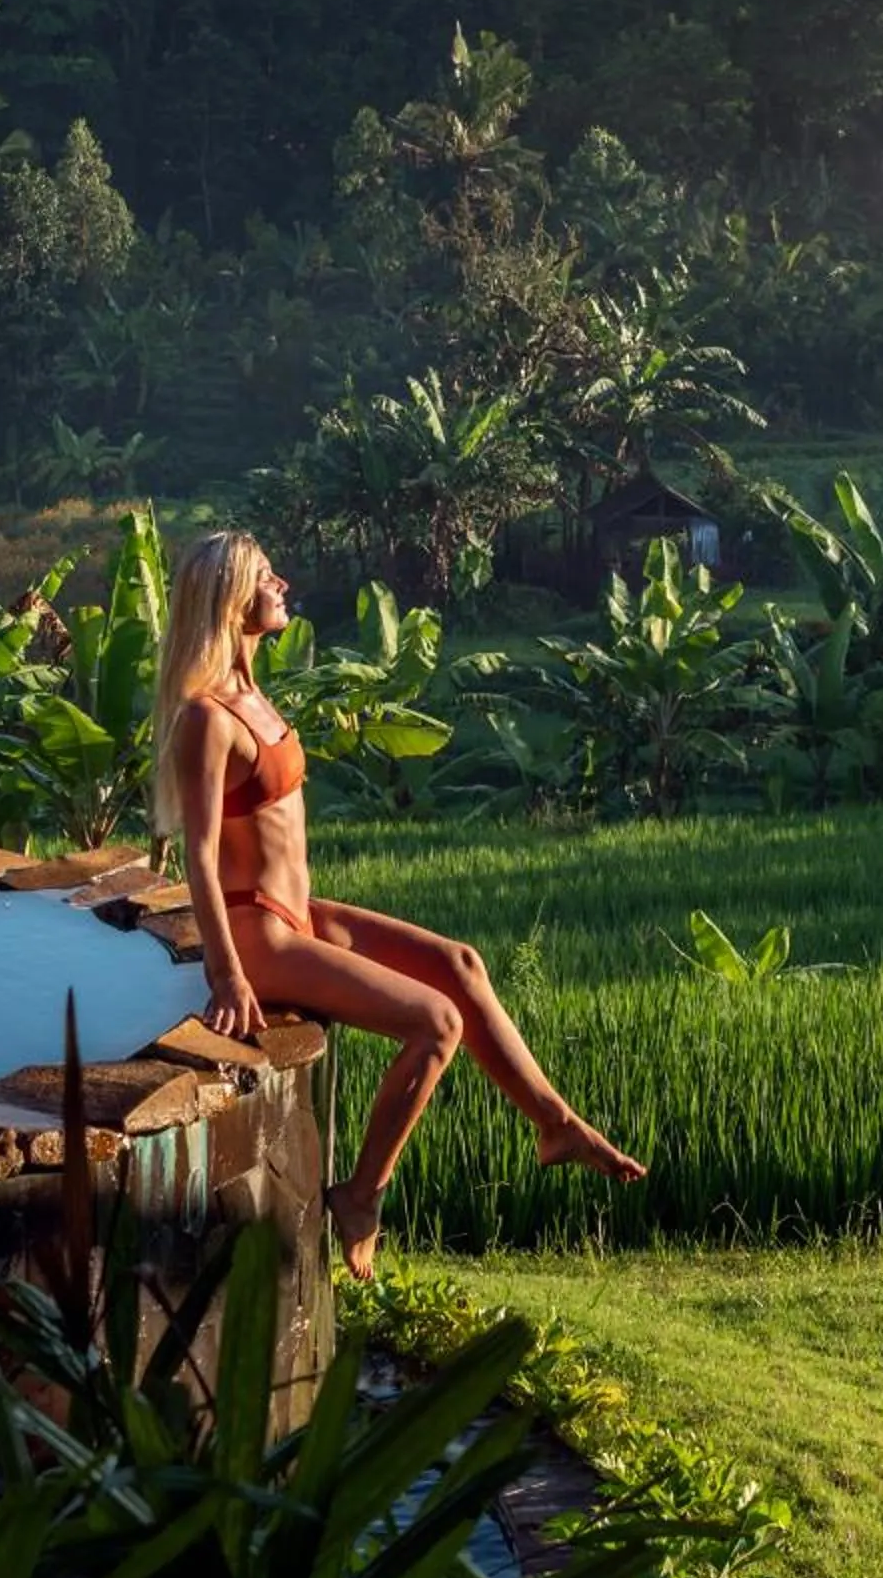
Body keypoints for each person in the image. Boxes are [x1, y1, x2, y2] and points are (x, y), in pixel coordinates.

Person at [152, 530, 642, 1280]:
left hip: (299, 911)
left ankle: (557, 1124)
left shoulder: (252, 692)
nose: (283, 583)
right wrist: (226, 976)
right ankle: (363, 1194)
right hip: (260, 935)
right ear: (229, 600)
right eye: (266, 577)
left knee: (459, 965)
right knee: (435, 1023)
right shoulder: (207, 718)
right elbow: (201, 858)